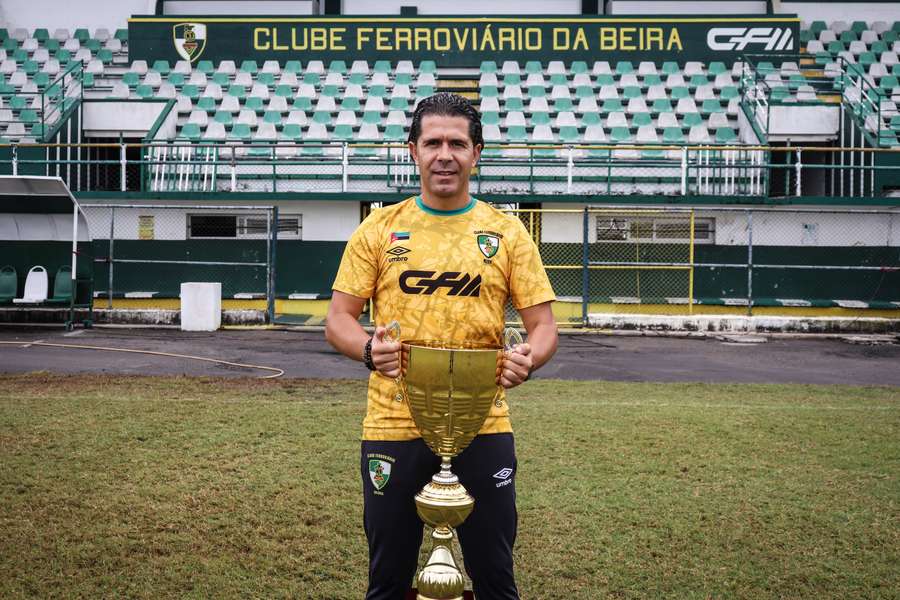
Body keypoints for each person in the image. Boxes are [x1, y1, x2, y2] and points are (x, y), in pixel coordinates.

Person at [325, 92, 558, 600]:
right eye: (433, 142)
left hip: (483, 422)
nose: (444, 154)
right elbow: (338, 320)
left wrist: (528, 359)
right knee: (387, 580)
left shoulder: (506, 232)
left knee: (495, 576)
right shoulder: (379, 229)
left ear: (477, 153)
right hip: (392, 422)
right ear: (413, 150)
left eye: (457, 143)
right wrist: (368, 350)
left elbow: (543, 328)